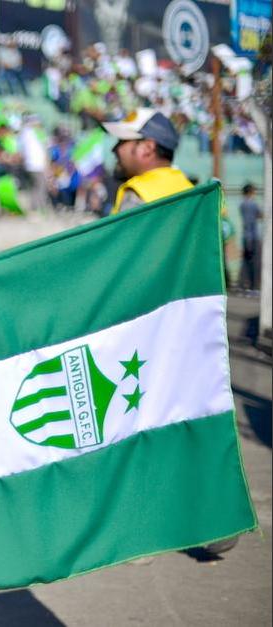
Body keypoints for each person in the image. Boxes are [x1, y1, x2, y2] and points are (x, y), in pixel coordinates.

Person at [105, 107, 239, 559]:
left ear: (146, 148)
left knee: (139, 423)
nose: (115, 151)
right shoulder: (197, 193)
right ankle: (219, 514)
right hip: (195, 326)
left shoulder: (138, 193)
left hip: (146, 328)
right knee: (194, 419)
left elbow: (121, 265)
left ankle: (146, 526)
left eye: (122, 143)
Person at [103, 108, 192, 214]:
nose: (114, 149)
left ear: (148, 148)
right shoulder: (191, 191)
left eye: (122, 141)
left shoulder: (137, 195)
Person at [239, 183, 262, 292]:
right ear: (251, 192)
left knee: (246, 261)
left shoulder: (242, 204)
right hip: (253, 236)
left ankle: (244, 285)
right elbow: (260, 215)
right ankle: (253, 286)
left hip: (246, 236)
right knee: (255, 261)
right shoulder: (252, 204)